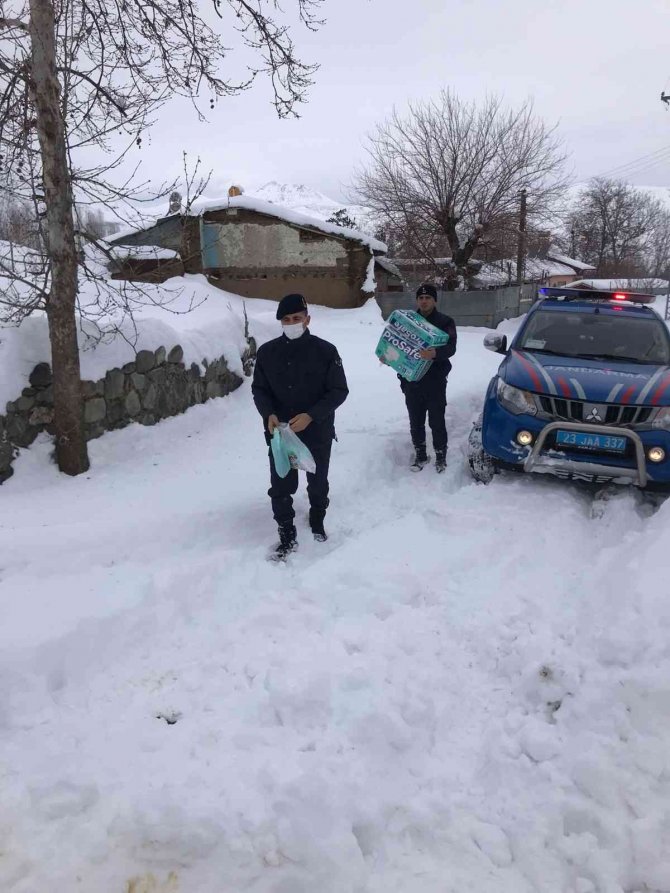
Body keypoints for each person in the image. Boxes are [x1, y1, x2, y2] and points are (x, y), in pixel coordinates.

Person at [252, 293, 349, 560]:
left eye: (297, 318)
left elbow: (338, 390)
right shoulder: (267, 352)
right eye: (286, 319)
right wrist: (268, 414)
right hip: (281, 433)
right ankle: (286, 530)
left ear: (307, 319)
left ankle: (317, 516)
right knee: (281, 483)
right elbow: (259, 389)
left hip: (317, 431)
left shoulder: (326, 351)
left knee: (317, 481)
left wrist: (312, 415)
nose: (292, 323)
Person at [401, 283, 457, 473]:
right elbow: (399, 345)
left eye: (428, 298)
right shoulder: (409, 321)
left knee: (436, 421)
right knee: (415, 422)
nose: (424, 301)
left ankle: (441, 456)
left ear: (435, 300)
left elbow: (451, 347)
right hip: (412, 381)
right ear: (417, 300)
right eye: (421, 298)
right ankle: (421, 455)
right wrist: (388, 356)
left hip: (435, 381)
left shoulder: (445, 321)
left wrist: (435, 353)